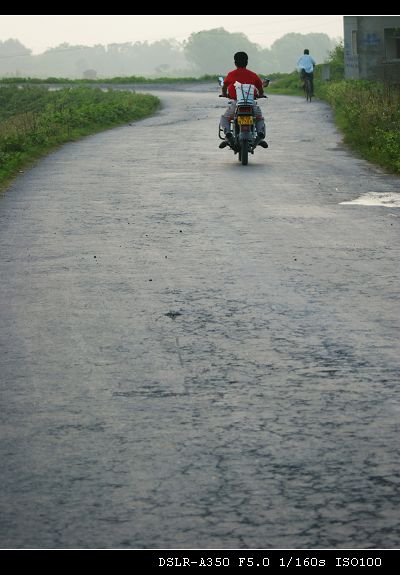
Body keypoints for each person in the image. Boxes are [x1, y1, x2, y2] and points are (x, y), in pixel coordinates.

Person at [219, 51, 268, 149]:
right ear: (247, 62)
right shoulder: (253, 75)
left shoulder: (231, 74)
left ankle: (228, 134)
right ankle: (260, 134)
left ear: (235, 63)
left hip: (236, 103)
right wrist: (261, 94)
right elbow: (260, 88)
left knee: (225, 118)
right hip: (251, 104)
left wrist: (225, 94)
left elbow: (224, 87)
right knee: (259, 117)